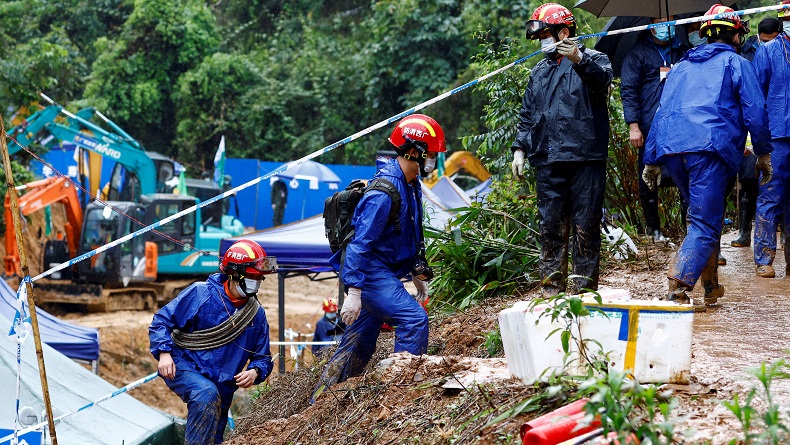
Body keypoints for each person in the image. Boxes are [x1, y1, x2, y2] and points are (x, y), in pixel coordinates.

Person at [642, 4, 773, 307]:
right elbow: (755, 111)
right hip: (709, 150)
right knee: (704, 221)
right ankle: (677, 285)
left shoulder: (680, 68)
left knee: (703, 215)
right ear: (736, 35)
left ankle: (711, 285)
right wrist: (764, 153)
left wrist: (651, 159)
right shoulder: (736, 63)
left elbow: (660, 114)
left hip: (675, 151)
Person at [310, 114, 440, 403]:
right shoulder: (384, 191)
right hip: (369, 273)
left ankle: (321, 401)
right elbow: (359, 244)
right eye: (431, 154)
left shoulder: (410, 183)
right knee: (413, 319)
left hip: (384, 273)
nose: (434, 160)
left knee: (360, 341)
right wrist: (354, 292)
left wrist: (417, 276)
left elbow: (409, 234)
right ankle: (401, 396)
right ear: (414, 151)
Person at [511, 3, 613, 296]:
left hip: (586, 157)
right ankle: (551, 291)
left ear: (564, 32)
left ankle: (583, 292)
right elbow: (528, 115)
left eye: (545, 35)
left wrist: (579, 59)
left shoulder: (595, 59)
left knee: (586, 226)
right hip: (548, 159)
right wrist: (519, 148)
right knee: (551, 227)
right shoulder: (540, 71)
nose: (542, 41)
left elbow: (602, 81)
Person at [149, 239, 275, 444]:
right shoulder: (201, 293)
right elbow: (161, 321)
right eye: (253, 276)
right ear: (234, 273)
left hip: (222, 386)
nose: (257, 282)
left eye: (260, 277)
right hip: (184, 366)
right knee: (205, 393)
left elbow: (263, 357)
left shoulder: (256, 315)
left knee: (214, 434)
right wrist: (164, 354)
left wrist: (255, 371)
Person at [621, 16, 689, 243]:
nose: (665, 24)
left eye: (670, 20)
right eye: (660, 20)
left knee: (685, 175)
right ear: (650, 24)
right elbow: (628, 90)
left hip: (681, 125)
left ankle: (688, 226)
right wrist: (633, 125)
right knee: (648, 176)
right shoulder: (637, 54)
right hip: (650, 126)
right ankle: (653, 230)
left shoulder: (682, 49)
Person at [731, 17, 782, 248]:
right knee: (749, 177)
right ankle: (744, 231)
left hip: (773, 124)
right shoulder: (746, 55)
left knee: (771, 180)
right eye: (764, 41)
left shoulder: (783, 52)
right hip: (751, 122)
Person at [751, 2, 790, 277]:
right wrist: (754, 139)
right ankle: (764, 258)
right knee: (771, 195)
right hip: (777, 134)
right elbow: (755, 96)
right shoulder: (768, 51)